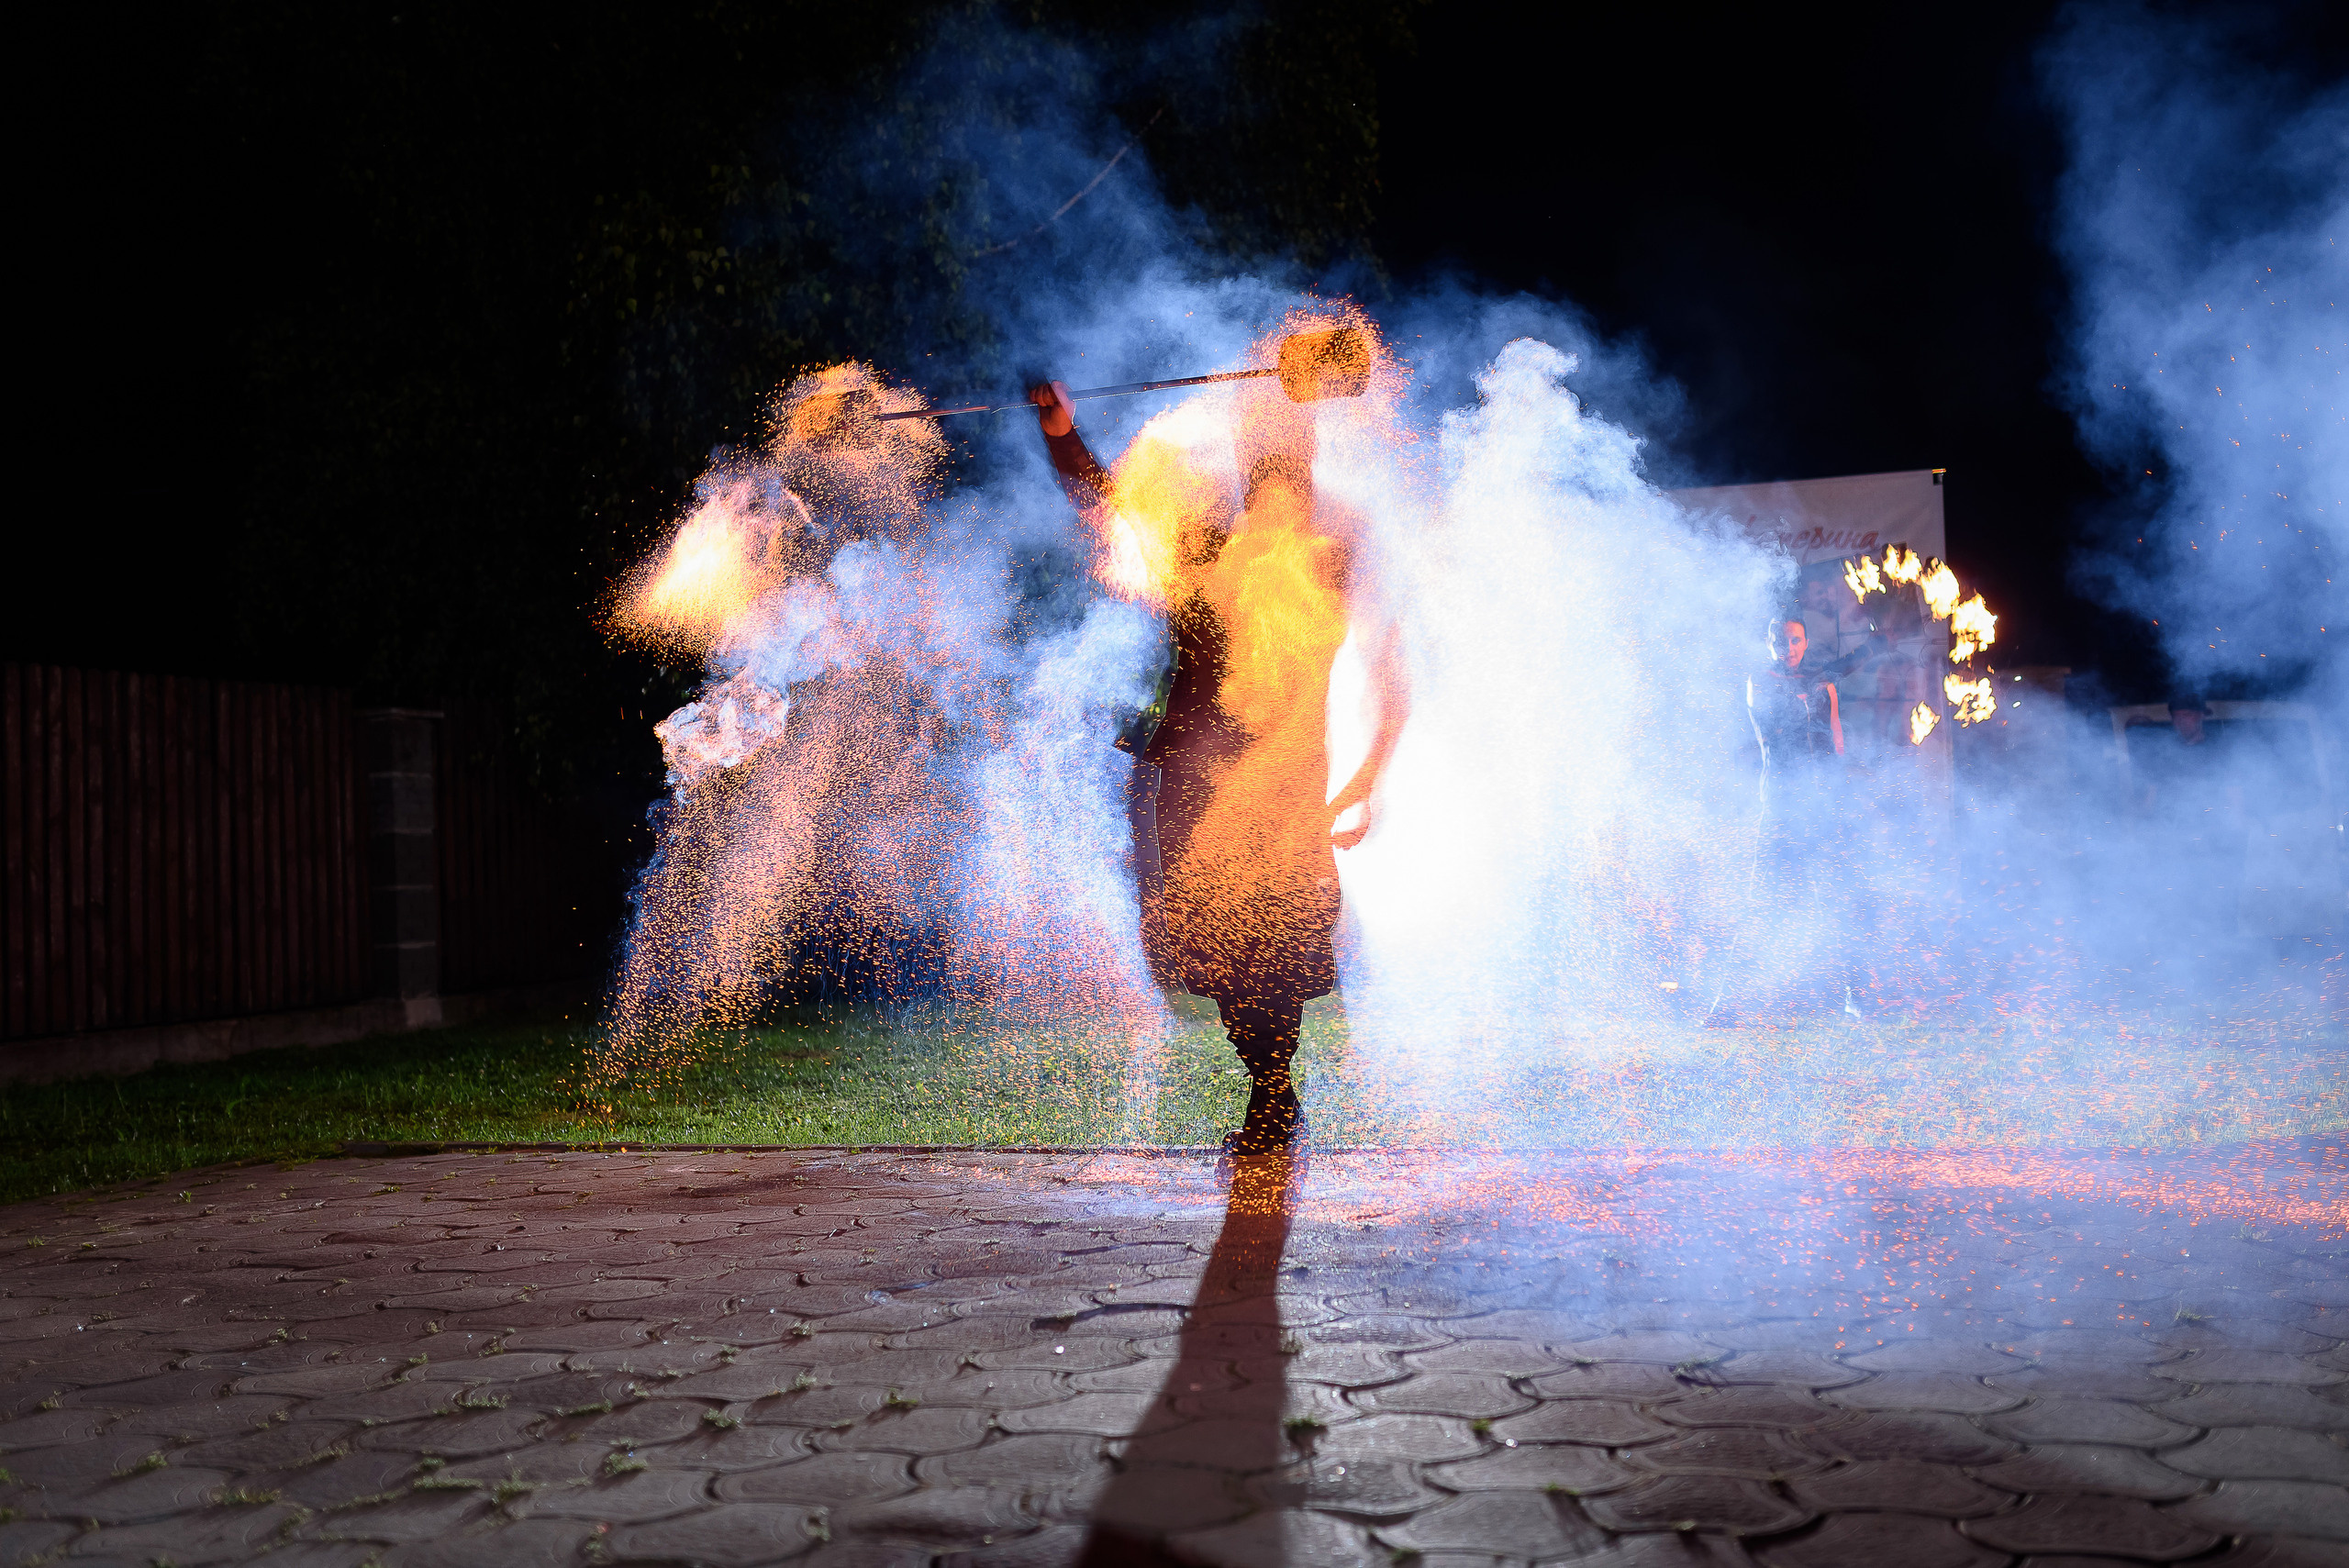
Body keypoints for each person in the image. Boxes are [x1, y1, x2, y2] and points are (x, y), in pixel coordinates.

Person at [1030, 372, 1405, 1152]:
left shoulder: (1336, 553)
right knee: (1224, 944)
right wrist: (1064, 435)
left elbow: (1391, 670)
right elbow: (1109, 507)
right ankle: (1271, 1092)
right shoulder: (1202, 543)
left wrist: (1371, 774)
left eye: (1288, 455)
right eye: (1261, 457)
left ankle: (1273, 1097)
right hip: (1200, 781)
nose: (1275, 473)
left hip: (1287, 785)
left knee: (1278, 940)